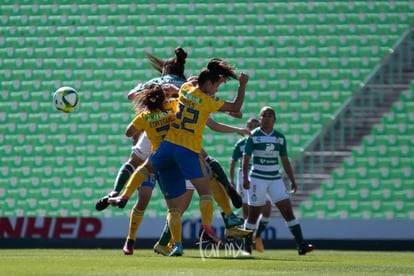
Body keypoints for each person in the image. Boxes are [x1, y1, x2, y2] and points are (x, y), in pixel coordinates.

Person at [109, 58, 248, 256]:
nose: (217, 89)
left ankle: (123, 195)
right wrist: (242, 85)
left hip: (167, 146)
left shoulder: (184, 90)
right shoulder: (208, 102)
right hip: (188, 151)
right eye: (216, 85)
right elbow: (235, 107)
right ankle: (208, 227)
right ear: (208, 84)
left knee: (144, 167)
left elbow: (184, 86)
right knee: (205, 191)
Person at [241, 106, 314, 255]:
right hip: (257, 179)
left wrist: (292, 180)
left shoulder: (280, 137)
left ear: (275, 119)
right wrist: (245, 178)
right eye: (264, 115)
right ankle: (246, 246)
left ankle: (301, 245)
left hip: (275, 179)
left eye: (270, 115)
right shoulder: (253, 135)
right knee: (253, 215)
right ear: (260, 119)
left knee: (288, 212)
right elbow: (246, 158)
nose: (267, 118)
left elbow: (285, 160)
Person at [229, 117, 272, 252]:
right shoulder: (241, 143)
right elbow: (233, 162)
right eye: (249, 125)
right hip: (244, 177)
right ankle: (246, 245)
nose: (251, 128)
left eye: (254, 125)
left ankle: (257, 236)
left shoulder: (262, 142)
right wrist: (232, 181)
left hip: (259, 176)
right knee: (247, 212)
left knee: (267, 208)